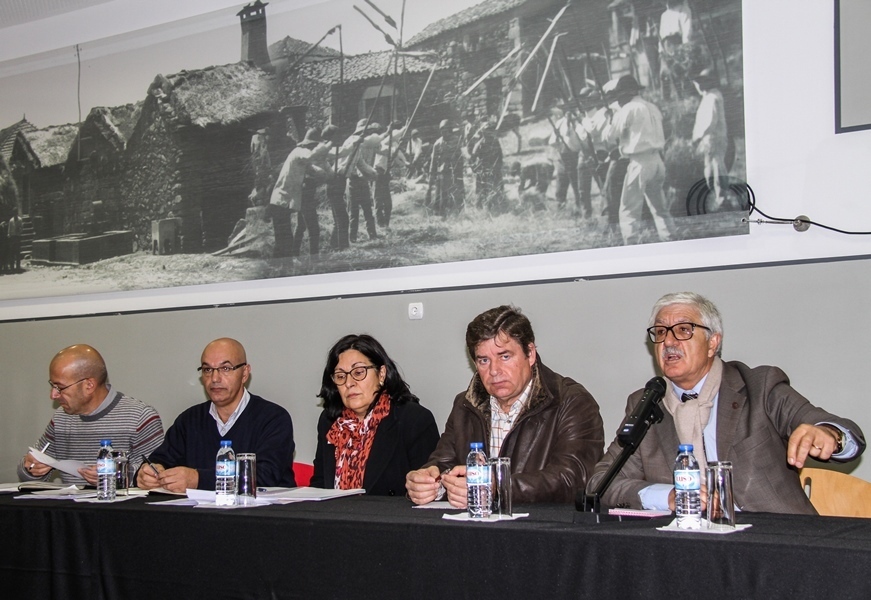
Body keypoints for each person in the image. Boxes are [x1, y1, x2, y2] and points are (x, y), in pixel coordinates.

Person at [587, 292, 866, 514]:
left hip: (774, 539)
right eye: (660, 332)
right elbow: (601, 483)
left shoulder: (759, 387)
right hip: (688, 545)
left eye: (683, 330)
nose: (668, 341)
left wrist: (831, 435)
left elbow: (848, 436)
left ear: (712, 343)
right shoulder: (647, 404)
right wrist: (668, 496)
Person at [406, 305, 604, 506]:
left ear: (530, 353)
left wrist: (497, 488)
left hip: (545, 523)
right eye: (484, 360)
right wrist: (429, 483)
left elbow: (572, 480)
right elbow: (443, 464)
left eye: (505, 356)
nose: (494, 370)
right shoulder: (465, 405)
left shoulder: (571, 401)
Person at [136, 338, 296, 492]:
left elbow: (265, 476)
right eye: (207, 370)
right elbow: (160, 460)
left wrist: (198, 479)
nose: (214, 378)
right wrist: (148, 473)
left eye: (225, 369)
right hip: (196, 510)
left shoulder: (274, 418)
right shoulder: (189, 420)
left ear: (245, 373)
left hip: (262, 509)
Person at [311, 334, 440, 496]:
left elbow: (428, 488)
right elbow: (320, 484)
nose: (349, 383)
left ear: (381, 374)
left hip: (391, 512)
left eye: (358, 372)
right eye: (340, 376)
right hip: (335, 512)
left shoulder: (414, 419)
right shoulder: (330, 422)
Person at [18, 344, 165, 486]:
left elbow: (157, 475)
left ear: (89, 385)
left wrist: (115, 474)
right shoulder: (61, 418)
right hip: (71, 502)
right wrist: (31, 468)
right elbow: (30, 476)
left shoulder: (140, 417)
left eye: (60, 387)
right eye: (52, 386)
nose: (53, 395)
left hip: (119, 502)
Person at [604, 74, 675, 244]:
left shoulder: (628, 109)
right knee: (660, 208)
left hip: (640, 162)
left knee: (628, 210)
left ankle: (631, 244)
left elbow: (609, 136)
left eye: (619, 96)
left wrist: (610, 118)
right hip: (657, 160)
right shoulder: (652, 107)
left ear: (625, 94)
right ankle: (670, 239)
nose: (618, 100)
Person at [290, 129, 330, 258]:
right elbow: (310, 170)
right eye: (315, 145)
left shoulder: (303, 155)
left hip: (305, 193)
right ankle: (314, 259)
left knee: (301, 226)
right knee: (314, 229)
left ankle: (295, 254)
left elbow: (312, 169)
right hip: (305, 193)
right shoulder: (304, 154)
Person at [691, 70, 728, 206]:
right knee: (710, 168)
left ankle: (721, 198)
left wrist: (698, 136)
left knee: (717, 166)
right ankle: (717, 198)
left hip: (714, 137)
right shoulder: (707, 97)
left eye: (703, 82)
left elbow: (711, 121)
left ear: (711, 82)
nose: (700, 85)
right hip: (709, 139)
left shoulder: (713, 97)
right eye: (699, 82)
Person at [427, 119, 465, 217]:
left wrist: (459, 167)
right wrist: (431, 175)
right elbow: (433, 161)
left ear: (450, 130)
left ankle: (458, 213)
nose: (444, 133)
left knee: (457, 193)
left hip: (456, 172)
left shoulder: (456, 141)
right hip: (443, 173)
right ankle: (441, 214)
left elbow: (461, 156)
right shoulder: (438, 144)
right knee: (442, 195)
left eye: (446, 130)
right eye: (442, 131)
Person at [548, 106, 583, 210]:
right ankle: (560, 204)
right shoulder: (560, 123)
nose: (568, 113)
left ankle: (579, 205)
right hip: (562, 156)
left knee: (576, 182)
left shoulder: (579, 122)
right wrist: (558, 141)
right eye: (566, 110)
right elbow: (552, 142)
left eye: (571, 109)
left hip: (575, 156)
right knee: (561, 180)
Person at [322, 124, 350, 251]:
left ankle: (335, 245)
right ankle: (341, 247)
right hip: (333, 185)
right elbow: (340, 152)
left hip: (337, 183)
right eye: (337, 135)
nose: (340, 137)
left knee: (339, 218)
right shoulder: (325, 148)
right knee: (341, 218)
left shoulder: (334, 147)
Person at [468, 121, 505, 213]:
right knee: (482, 191)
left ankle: (500, 206)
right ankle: (481, 208)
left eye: (490, 130)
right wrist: (475, 169)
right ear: (483, 132)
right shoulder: (479, 144)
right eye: (487, 131)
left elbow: (500, 156)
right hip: (483, 171)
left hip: (495, 170)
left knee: (497, 188)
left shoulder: (495, 142)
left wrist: (498, 168)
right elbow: (472, 159)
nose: (489, 133)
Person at [7, 207, 22, 271]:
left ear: (17, 213)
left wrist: (19, 230)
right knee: (12, 253)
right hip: (12, 237)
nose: (15, 214)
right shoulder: (11, 220)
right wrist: (9, 235)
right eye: (14, 213)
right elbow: (9, 229)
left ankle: (18, 266)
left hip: (17, 237)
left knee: (18, 252)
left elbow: (21, 228)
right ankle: (12, 267)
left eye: (16, 213)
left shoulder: (20, 220)